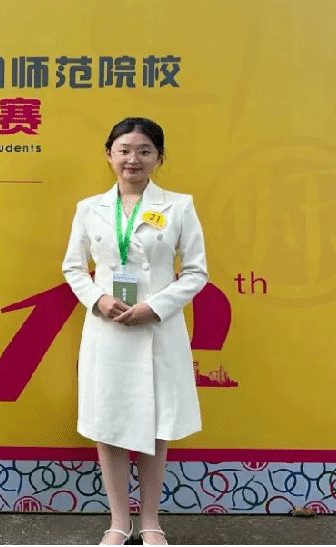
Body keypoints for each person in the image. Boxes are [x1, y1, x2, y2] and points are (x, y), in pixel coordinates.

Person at [61, 117, 208, 545]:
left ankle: (150, 522)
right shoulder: (89, 208)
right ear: (109, 154)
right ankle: (118, 522)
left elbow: (196, 272)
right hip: (107, 329)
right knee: (108, 422)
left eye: (144, 151)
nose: (133, 159)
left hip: (158, 329)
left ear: (159, 158)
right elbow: (73, 267)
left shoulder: (179, 206)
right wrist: (98, 299)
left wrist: (155, 307)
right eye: (124, 150)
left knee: (155, 424)